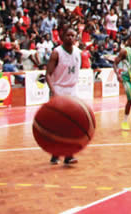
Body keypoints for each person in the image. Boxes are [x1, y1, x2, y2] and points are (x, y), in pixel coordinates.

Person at [45, 27, 82, 165]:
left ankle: (65, 155)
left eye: (73, 35)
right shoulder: (57, 53)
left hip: (72, 90)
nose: (71, 38)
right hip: (59, 89)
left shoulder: (78, 52)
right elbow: (48, 74)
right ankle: (59, 154)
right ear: (62, 37)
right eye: (68, 35)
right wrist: (53, 91)